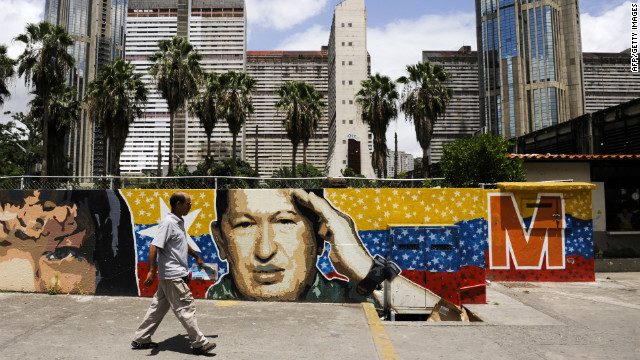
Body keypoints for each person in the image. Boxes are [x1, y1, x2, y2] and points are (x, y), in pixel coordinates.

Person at [207, 189, 440, 307]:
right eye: (245, 225)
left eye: (285, 222)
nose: (265, 251)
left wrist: (364, 267)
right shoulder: (206, 306)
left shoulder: (357, 301)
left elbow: (448, 318)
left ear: (319, 238)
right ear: (220, 241)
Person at [131, 191, 215, 355]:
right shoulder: (168, 223)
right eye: (187, 203)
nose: (190, 206)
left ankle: (141, 339)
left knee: (158, 308)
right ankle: (199, 343)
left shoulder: (179, 222)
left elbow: (182, 243)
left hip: (171, 276)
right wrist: (151, 270)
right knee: (186, 307)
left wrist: (197, 256)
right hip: (172, 275)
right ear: (178, 204)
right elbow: (154, 246)